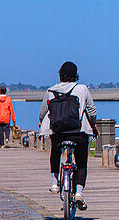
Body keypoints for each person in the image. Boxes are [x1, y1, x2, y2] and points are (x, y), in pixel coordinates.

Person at [39, 61, 98, 210]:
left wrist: (41, 123)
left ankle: (54, 182)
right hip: (78, 132)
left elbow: (42, 113)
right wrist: (93, 126)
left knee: (55, 152)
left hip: (58, 132)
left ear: (60, 74)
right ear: (76, 75)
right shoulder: (82, 89)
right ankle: (78, 193)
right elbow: (92, 111)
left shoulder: (50, 91)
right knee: (82, 161)